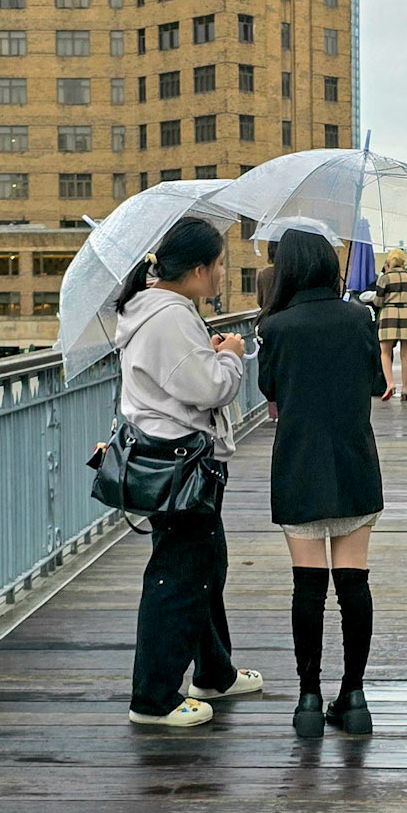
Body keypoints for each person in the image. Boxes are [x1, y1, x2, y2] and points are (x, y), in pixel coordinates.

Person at [107, 216, 264, 729]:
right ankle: (153, 697)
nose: (221, 273)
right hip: (182, 461)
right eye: (218, 265)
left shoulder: (155, 308)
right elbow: (210, 388)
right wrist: (232, 357)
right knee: (177, 578)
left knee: (204, 566)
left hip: (172, 459)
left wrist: (209, 355)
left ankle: (214, 673)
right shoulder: (171, 316)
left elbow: (181, 376)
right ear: (197, 270)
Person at [257, 227, 386, 738]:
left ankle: (308, 700)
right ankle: (354, 697)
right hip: (354, 462)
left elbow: (270, 389)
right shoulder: (359, 318)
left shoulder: (277, 327)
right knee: (354, 583)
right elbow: (376, 383)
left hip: (299, 466)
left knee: (307, 587)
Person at [372, 247, 407, 401]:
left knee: (385, 353)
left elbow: (378, 301)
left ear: (389, 261)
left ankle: (390, 384)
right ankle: (404, 388)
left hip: (389, 314)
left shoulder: (385, 278)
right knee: (405, 354)